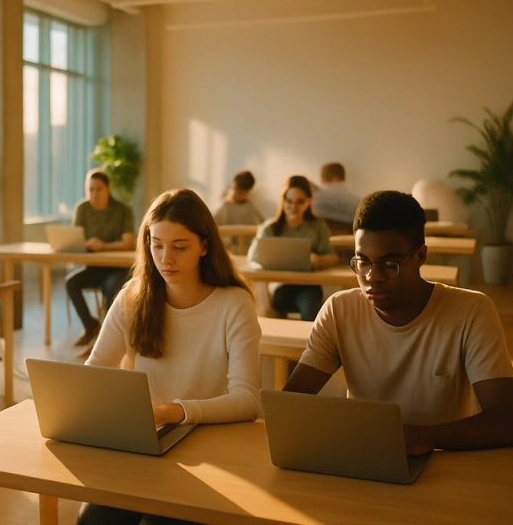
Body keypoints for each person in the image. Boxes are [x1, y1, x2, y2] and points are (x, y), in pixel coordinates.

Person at [284, 190, 513, 455]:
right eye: (362, 262)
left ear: (420, 256)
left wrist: (416, 437)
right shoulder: (339, 310)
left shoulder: (471, 312)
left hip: (444, 466)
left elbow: (507, 424)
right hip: (366, 458)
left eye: (389, 264)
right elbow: (290, 404)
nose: (373, 277)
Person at [80, 188, 260, 525]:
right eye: (157, 245)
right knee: (92, 521)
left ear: (205, 246)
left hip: (210, 451)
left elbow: (248, 400)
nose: (166, 259)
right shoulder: (133, 298)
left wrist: (174, 411)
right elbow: (94, 375)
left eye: (180, 247)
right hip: (147, 446)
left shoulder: (234, 304)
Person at [247, 175, 338, 321]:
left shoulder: (318, 226)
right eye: (289, 201)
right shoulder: (269, 228)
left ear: (309, 201)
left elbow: (332, 257)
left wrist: (319, 260)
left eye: (299, 202)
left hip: (308, 287)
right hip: (278, 288)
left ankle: (312, 343)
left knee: (311, 309)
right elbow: (253, 259)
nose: (293, 207)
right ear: (283, 201)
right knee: (264, 305)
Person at [66, 169, 136, 347]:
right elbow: (76, 239)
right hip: (95, 267)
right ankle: (91, 326)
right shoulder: (82, 209)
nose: (94, 194)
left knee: (111, 286)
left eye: (98, 189)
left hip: (119, 267)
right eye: (90, 190)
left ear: (108, 189)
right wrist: (85, 244)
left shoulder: (123, 210)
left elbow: (129, 243)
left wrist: (103, 246)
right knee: (71, 282)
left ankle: (105, 341)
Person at [311, 162, 361, 235]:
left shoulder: (314, 199)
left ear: (323, 178)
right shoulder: (358, 201)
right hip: (348, 243)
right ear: (343, 176)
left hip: (321, 241)